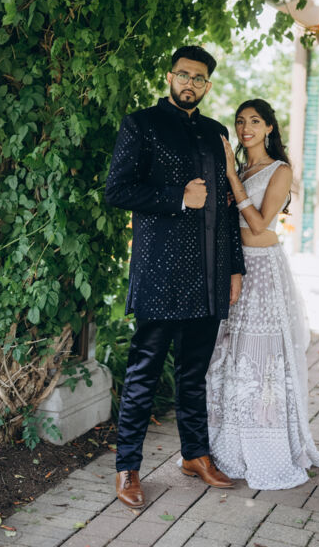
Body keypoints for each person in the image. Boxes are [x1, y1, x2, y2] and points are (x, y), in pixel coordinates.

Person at [105, 45, 245, 508]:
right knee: (143, 373)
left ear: (208, 84)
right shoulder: (141, 124)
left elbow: (226, 207)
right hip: (161, 273)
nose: (190, 83)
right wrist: (178, 196)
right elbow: (117, 190)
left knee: (194, 372)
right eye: (184, 75)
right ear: (169, 76)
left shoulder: (216, 132)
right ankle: (127, 468)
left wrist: (235, 268)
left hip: (209, 273)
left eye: (199, 78)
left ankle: (194, 456)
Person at [206, 98, 319, 490]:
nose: (246, 129)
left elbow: (259, 225)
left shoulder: (280, 170)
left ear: (269, 128)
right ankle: (229, 444)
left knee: (260, 358)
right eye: (240, 121)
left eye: (255, 121)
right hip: (233, 266)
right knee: (230, 354)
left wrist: (231, 176)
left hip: (262, 269)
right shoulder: (241, 169)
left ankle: (268, 443)